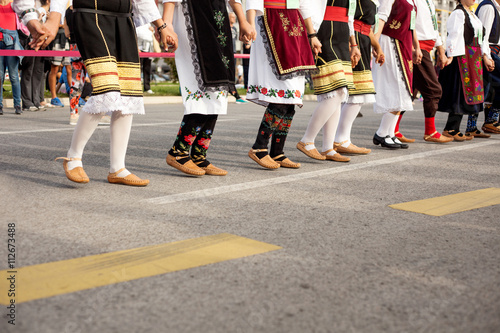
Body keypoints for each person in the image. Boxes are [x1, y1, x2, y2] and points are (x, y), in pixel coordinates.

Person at [55, 0, 177, 186]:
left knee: (128, 94)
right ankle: (73, 157)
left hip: (124, 21)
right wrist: (54, 16)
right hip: (90, 15)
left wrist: (161, 25)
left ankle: (117, 168)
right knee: (107, 89)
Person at [162, 0, 254, 176]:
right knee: (200, 88)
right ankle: (178, 151)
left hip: (218, 22)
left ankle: (199, 154)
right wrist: (166, 25)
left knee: (218, 86)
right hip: (192, 19)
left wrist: (242, 20)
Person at [247, 0, 320, 169]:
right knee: (282, 91)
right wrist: (249, 24)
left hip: (295, 24)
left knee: (292, 96)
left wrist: (312, 34)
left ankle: (277, 152)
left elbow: (304, 3)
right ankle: (259, 147)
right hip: (272, 21)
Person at [297, 0, 361, 162]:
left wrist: (354, 44)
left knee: (340, 93)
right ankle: (307, 140)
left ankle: (327, 147)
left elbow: (350, 13)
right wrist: (311, 34)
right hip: (323, 31)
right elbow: (306, 4)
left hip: (342, 34)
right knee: (337, 91)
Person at [437, 0, 494, 141]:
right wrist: (449, 55)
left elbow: (482, 39)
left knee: (468, 93)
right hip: (462, 57)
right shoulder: (458, 13)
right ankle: (450, 128)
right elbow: (454, 36)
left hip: (474, 57)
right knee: (460, 92)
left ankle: (455, 128)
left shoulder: (473, 15)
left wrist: (485, 56)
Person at [334, 0, 385, 155]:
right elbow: (350, 19)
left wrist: (377, 46)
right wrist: (352, 43)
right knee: (357, 92)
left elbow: (367, 27)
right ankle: (341, 139)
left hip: (362, 39)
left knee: (357, 92)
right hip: (353, 38)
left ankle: (341, 138)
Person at [372, 0, 422, 149]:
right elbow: (381, 18)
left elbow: (412, 25)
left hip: (404, 43)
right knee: (397, 88)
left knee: (404, 89)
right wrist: (375, 43)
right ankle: (382, 133)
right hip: (390, 42)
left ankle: (389, 132)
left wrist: (416, 47)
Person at [412, 0, 454, 143]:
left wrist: (441, 51)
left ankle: (393, 130)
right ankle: (430, 131)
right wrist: (414, 47)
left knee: (410, 91)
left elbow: (434, 29)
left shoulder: (429, 2)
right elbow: (409, 26)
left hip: (427, 48)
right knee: (433, 90)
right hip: (417, 49)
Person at [467, 0, 500, 135]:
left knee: (486, 88)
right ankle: (488, 121)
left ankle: (478, 124)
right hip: (488, 51)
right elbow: (483, 35)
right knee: (482, 88)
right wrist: (486, 56)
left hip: (493, 51)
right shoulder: (488, 7)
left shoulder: (495, 8)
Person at [0, 0, 24, 115]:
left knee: (14, 76)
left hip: (11, 44)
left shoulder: (13, 5)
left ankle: (18, 104)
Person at [136, 23, 154, 94]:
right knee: (138, 69)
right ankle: (137, 87)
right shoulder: (136, 21)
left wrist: (152, 30)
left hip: (148, 48)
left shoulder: (148, 23)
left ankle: (147, 88)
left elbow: (151, 35)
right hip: (139, 49)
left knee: (147, 69)